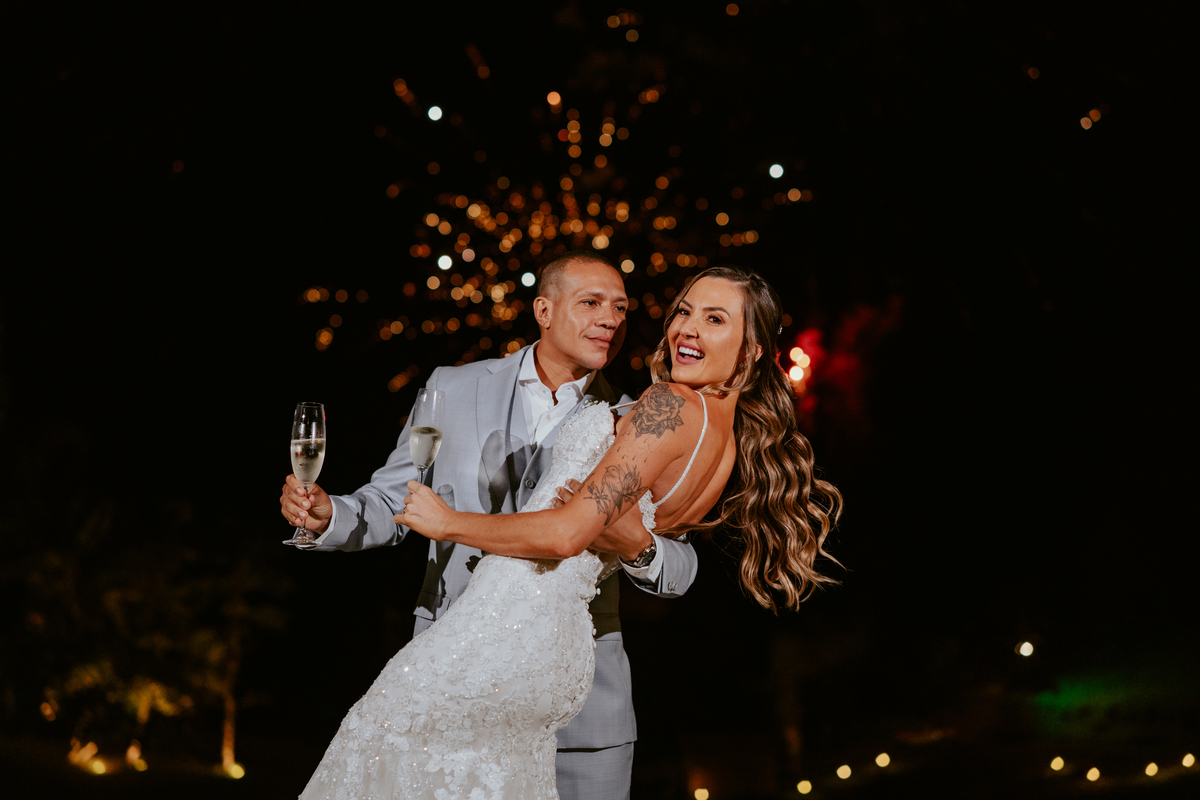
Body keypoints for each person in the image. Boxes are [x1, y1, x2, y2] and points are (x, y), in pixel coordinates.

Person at [294, 265, 842, 800]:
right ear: (544, 310)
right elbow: (395, 496)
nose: (611, 318)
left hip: (579, 686)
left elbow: (656, 557)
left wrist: (636, 546)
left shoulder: (645, 409)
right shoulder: (453, 389)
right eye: (591, 303)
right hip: (461, 646)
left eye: (621, 307)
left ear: (749, 351)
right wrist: (328, 516)